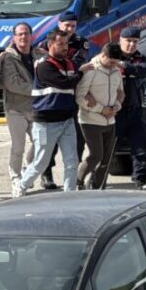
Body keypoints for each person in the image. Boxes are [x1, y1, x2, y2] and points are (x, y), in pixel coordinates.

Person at [14, 30, 83, 196]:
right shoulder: (44, 65)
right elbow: (64, 83)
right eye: (60, 44)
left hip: (67, 119)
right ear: (50, 45)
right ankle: (21, 186)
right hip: (45, 122)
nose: (64, 47)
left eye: (66, 44)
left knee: (72, 161)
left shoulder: (69, 64)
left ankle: (69, 195)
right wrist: (82, 72)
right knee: (41, 162)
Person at [41, 12, 89, 190]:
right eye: (66, 25)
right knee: (50, 140)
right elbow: (44, 61)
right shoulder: (48, 39)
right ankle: (46, 174)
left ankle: (74, 175)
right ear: (59, 25)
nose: (69, 29)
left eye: (73, 26)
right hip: (52, 96)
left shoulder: (80, 42)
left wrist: (61, 63)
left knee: (77, 137)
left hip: (73, 92)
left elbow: (76, 64)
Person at [75, 41, 124, 190]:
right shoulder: (91, 70)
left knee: (107, 158)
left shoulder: (116, 70)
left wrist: (117, 106)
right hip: (90, 120)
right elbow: (80, 96)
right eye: (110, 61)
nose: (112, 65)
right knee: (95, 155)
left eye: (116, 62)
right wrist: (100, 109)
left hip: (110, 120)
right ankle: (77, 181)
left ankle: (97, 186)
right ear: (103, 55)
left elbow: (120, 92)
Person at [0, 22, 37, 190]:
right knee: (18, 147)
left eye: (26, 33)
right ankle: (15, 176)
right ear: (14, 37)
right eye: (20, 34)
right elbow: (13, 83)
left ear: (31, 35)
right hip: (15, 108)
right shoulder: (8, 57)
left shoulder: (39, 54)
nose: (23, 37)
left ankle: (27, 169)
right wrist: (40, 90)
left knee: (42, 143)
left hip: (36, 108)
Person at [114, 26, 146, 189]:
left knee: (139, 148)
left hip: (135, 109)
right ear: (120, 41)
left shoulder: (141, 59)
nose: (131, 45)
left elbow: (143, 70)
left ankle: (140, 180)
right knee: (109, 147)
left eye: (135, 42)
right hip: (115, 111)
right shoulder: (110, 56)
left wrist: (123, 65)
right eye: (128, 41)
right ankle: (96, 179)